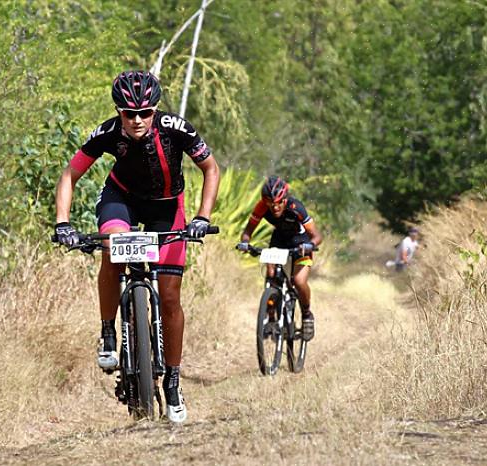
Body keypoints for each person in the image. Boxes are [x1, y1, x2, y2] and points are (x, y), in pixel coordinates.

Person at [53, 71, 220, 423]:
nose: (138, 120)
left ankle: (173, 382)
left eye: (145, 113)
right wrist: (63, 223)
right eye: (129, 113)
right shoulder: (108, 132)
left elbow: (210, 168)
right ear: (119, 112)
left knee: (171, 296)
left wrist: (202, 217)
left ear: (155, 109)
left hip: (166, 206)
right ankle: (108, 331)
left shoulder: (177, 129)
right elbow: (70, 174)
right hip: (122, 199)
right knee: (113, 248)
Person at [236, 176, 322, 341]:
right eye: (270, 203)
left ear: (285, 199)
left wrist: (310, 245)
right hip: (279, 240)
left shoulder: (296, 207)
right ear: (265, 201)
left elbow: (317, 235)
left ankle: (306, 314)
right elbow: (247, 231)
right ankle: (272, 319)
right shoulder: (261, 207)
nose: (275, 207)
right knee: (271, 274)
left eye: (279, 202)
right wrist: (245, 243)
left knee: (298, 281)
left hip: (301, 242)